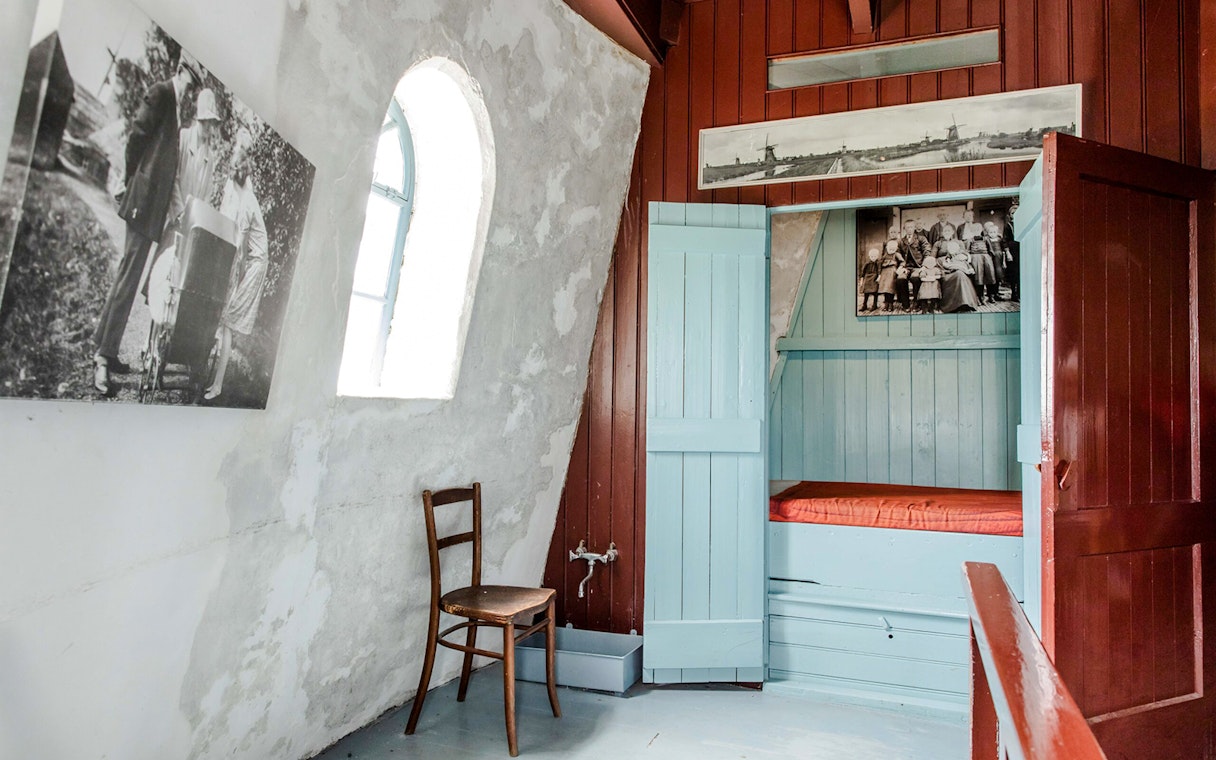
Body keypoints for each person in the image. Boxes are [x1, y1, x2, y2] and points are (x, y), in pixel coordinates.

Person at [92, 55, 201, 393]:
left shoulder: (175, 106)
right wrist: (131, 181)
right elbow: (136, 137)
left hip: (151, 209)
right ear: (180, 71)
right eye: (191, 81)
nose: (192, 90)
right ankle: (102, 357)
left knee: (128, 274)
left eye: (196, 86)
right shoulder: (162, 93)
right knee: (128, 279)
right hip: (142, 202)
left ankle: (105, 347)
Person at [205, 147, 267, 401]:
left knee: (228, 320)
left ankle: (218, 386)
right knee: (224, 317)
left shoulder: (246, 204)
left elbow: (240, 254)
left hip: (255, 263)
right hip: (249, 259)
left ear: (236, 174)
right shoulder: (238, 193)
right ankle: (212, 376)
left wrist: (233, 282)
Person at [958, 209, 997, 303]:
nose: (977, 231)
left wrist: (990, 257)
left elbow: (990, 249)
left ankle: (991, 295)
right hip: (975, 259)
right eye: (975, 230)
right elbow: (967, 249)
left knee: (989, 275)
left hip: (986, 259)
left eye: (978, 230)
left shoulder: (985, 238)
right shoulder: (970, 239)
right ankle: (979, 297)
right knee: (978, 278)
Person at [896, 219, 930, 309]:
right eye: (907, 227)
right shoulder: (901, 241)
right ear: (904, 228)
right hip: (906, 267)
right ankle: (905, 305)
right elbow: (898, 253)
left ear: (914, 228)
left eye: (911, 227)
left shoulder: (921, 238)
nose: (909, 229)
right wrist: (901, 265)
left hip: (918, 267)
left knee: (915, 278)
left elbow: (927, 251)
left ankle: (916, 303)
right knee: (901, 279)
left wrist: (924, 266)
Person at [876, 238, 903, 311]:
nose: (891, 250)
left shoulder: (897, 254)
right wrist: (879, 274)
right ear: (887, 248)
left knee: (890, 288)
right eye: (890, 249)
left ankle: (890, 304)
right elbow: (880, 263)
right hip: (884, 273)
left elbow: (902, 262)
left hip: (892, 273)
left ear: (896, 249)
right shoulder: (885, 255)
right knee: (885, 289)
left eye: (893, 249)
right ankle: (886, 304)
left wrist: (900, 267)